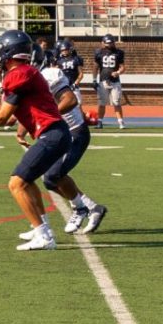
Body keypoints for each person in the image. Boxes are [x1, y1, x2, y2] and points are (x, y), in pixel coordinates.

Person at [0, 30, 98, 251]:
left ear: (6, 50)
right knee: (29, 180)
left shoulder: (18, 74)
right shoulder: (27, 72)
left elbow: (2, 117)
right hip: (56, 133)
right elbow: (7, 118)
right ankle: (41, 226)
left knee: (16, 183)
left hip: (52, 134)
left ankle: (44, 235)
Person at [35, 50, 107, 234]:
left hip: (74, 134)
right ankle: (93, 208)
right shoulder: (33, 79)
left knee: (53, 175)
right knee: (50, 181)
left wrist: (48, 119)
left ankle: (82, 209)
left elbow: (70, 100)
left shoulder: (50, 75)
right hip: (61, 133)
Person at [92, 34, 128, 129]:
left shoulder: (119, 52)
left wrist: (118, 72)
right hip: (103, 80)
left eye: (111, 43)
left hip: (115, 81)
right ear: (102, 43)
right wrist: (94, 79)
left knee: (116, 102)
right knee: (102, 103)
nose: (109, 45)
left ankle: (120, 122)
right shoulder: (98, 52)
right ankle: (99, 122)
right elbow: (95, 67)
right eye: (107, 43)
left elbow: (123, 67)